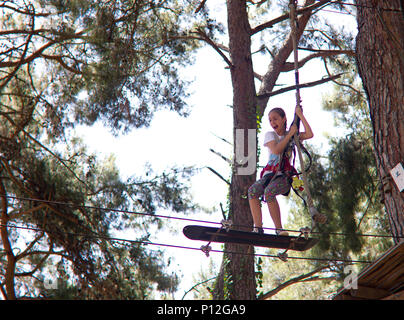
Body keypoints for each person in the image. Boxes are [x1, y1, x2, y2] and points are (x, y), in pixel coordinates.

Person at [247, 106, 313, 236]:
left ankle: (279, 229)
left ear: (284, 119)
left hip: (284, 176)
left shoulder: (292, 135)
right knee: (252, 191)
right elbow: (276, 150)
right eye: (270, 120)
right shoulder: (270, 135)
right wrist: (289, 135)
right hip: (269, 175)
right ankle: (258, 228)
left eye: (275, 119)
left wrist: (300, 115)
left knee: (269, 192)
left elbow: (310, 134)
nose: (272, 123)